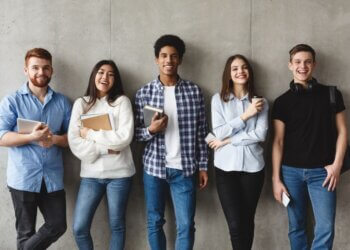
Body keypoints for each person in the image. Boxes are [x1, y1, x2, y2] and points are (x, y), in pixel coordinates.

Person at [134, 34, 208, 250]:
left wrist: (203, 166)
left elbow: (202, 132)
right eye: (164, 56)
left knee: (186, 225)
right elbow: (135, 135)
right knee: (154, 222)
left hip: (185, 169)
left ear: (180, 60)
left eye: (174, 56)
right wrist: (150, 130)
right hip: (153, 169)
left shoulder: (194, 91)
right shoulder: (144, 93)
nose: (169, 60)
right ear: (157, 59)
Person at [271, 44, 348, 250]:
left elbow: (343, 132)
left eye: (307, 62)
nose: (302, 66)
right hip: (290, 173)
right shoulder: (282, 102)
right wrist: (276, 179)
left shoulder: (332, 94)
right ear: (290, 65)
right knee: (296, 226)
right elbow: (278, 142)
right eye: (297, 62)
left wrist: (336, 165)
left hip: (323, 173)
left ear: (314, 64)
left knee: (325, 227)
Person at [0, 48, 71, 249]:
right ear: (26, 70)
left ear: (52, 71)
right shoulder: (12, 101)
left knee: (57, 225)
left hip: (52, 177)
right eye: (35, 68)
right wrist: (32, 136)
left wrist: (54, 139)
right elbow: (1, 136)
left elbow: (72, 138)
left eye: (45, 68)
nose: (41, 72)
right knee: (25, 233)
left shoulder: (63, 102)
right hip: (22, 176)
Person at [68, 60, 135, 250]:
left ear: (116, 79)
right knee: (79, 228)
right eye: (101, 72)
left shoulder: (122, 102)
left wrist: (90, 133)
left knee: (117, 226)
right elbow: (74, 142)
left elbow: (124, 138)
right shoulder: (81, 104)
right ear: (94, 75)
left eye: (111, 74)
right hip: (91, 176)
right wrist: (105, 148)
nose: (105, 77)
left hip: (120, 175)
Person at [208, 54, 268, 250]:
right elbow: (218, 131)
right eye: (235, 68)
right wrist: (246, 115)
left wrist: (228, 141)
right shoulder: (218, 100)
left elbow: (260, 135)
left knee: (247, 220)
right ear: (229, 74)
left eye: (244, 67)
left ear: (249, 72)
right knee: (234, 224)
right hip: (225, 169)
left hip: (254, 169)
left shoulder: (261, 102)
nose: (240, 71)